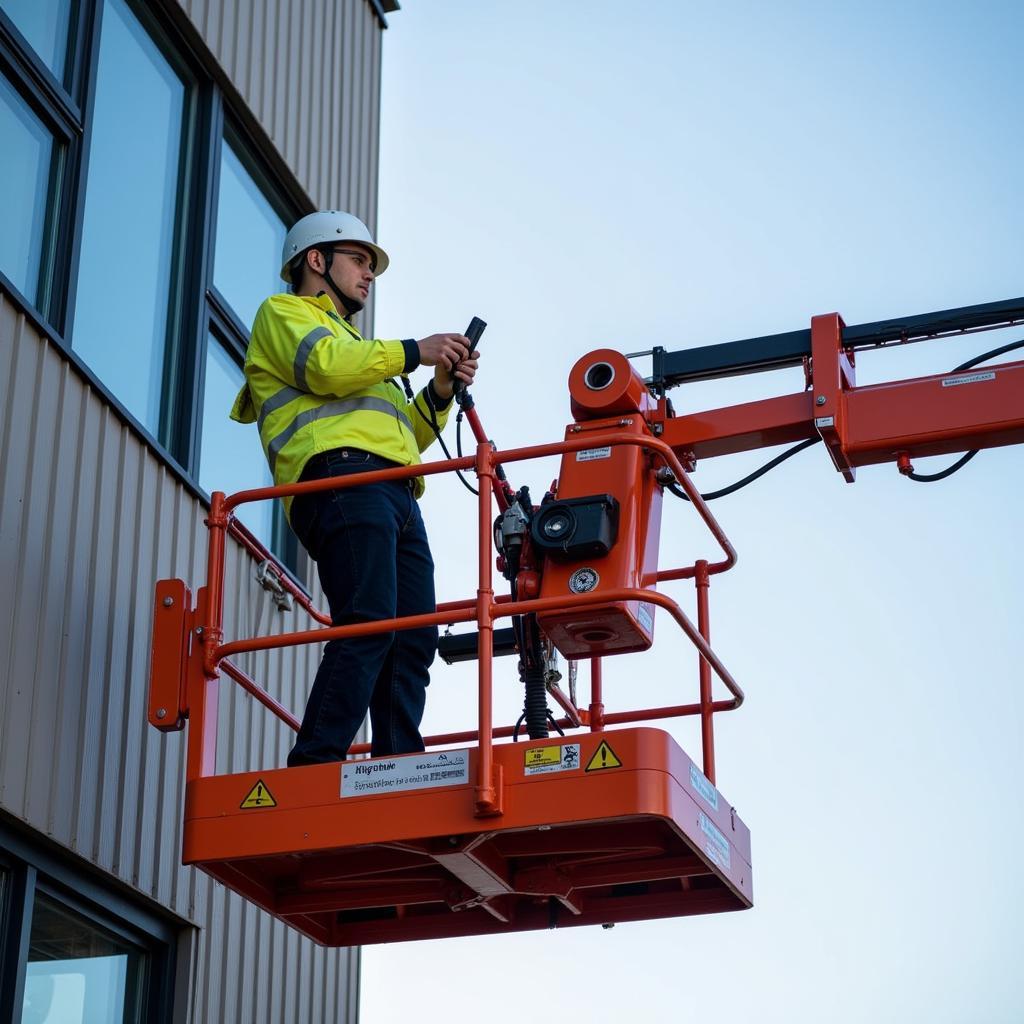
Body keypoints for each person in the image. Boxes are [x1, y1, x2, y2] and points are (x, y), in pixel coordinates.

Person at [230, 210, 478, 765]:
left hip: (390, 489)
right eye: (359, 261)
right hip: (338, 479)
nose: (368, 275)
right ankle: (316, 763)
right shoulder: (284, 313)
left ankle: (400, 766)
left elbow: (405, 437)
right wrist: (418, 350)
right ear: (316, 261)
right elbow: (323, 368)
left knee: (413, 637)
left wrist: (437, 391)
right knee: (369, 618)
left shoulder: (361, 350)